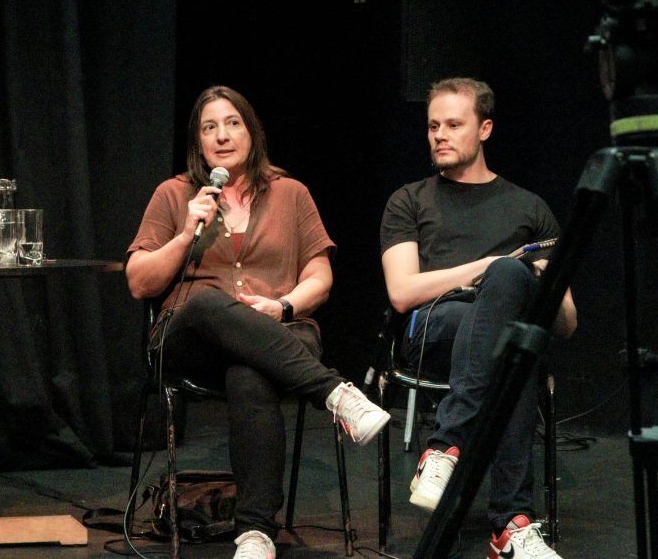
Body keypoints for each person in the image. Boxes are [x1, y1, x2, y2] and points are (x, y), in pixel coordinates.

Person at [126, 85, 390, 559]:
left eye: (232, 124)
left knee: (250, 373)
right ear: (198, 143)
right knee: (207, 304)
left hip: (282, 334)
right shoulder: (175, 195)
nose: (222, 136)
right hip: (192, 340)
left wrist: (284, 306)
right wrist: (187, 233)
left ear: (252, 132)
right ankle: (334, 393)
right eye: (209, 128)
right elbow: (139, 283)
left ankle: (254, 534)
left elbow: (320, 275)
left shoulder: (291, 194)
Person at [380, 77, 577, 559]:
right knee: (512, 329)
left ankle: (446, 448)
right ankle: (510, 523)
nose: (438, 135)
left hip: (503, 331)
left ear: (484, 128)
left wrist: (533, 278)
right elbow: (403, 292)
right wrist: (485, 269)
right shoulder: (409, 200)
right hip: (434, 327)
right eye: (432, 126)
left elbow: (568, 322)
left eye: (452, 124)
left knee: (514, 328)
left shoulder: (530, 208)